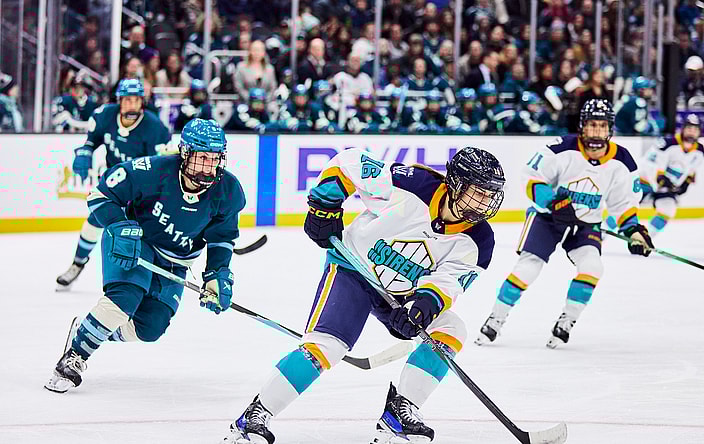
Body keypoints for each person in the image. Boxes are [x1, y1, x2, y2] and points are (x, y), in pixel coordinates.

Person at [222, 146, 505, 444]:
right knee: (328, 346)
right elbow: (349, 161)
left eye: (491, 195)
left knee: (451, 329)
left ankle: (400, 411)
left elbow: (448, 282)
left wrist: (422, 306)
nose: (485, 202)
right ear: (456, 184)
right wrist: (324, 205)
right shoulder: (411, 184)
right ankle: (253, 418)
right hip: (353, 269)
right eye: (479, 192)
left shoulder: (480, 240)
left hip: (400, 295)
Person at [45, 119, 246, 393]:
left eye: (214, 159)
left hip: (176, 261)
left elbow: (222, 237)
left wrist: (216, 274)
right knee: (126, 296)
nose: (208, 167)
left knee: (150, 328)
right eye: (201, 158)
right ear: (185, 153)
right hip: (136, 245)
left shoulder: (228, 190)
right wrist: (119, 225)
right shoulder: (151, 171)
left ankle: (91, 330)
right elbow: (100, 195)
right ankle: (75, 356)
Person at [475, 99, 654, 349]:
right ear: (582, 126)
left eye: (602, 126)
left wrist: (634, 230)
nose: (597, 132)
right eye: (592, 125)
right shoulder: (561, 149)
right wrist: (553, 201)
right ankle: (496, 318)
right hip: (548, 218)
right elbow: (531, 178)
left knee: (593, 267)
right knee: (528, 267)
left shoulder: (622, 161)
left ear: (610, 129)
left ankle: (567, 321)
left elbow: (623, 204)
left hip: (585, 225)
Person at [55, 78, 172, 291]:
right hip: (114, 184)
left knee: (149, 235)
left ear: (142, 102)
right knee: (93, 222)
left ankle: (158, 275)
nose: (131, 105)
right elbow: (92, 139)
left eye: (135, 100)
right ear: (119, 100)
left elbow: (160, 168)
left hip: (143, 190)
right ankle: (77, 264)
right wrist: (85, 151)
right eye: (127, 100)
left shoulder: (155, 128)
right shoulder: (104, 115)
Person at [632, 114, 704, 237]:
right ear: (683, 129)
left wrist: (685, 183)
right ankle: (602, 233)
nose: (691, 132)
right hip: (645, 181)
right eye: (689, 128)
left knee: (668, 209)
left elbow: (691, 170)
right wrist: (661, 179)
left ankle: (645, 238)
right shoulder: (667, 143)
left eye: (695, 129)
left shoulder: (700, 151)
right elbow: (654, 167)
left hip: (664, 187)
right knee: (625, 206)